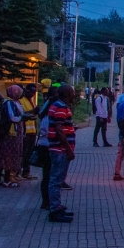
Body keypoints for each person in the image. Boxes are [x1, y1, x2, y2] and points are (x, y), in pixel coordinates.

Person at [46, 85, 77, 223]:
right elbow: (59, 130)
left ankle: (57, 206)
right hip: (60, 150)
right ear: (68, 93)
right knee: (56, 181)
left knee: (56, 180)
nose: (74, 94)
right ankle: (55, 210)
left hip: (58, 149)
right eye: (72, 92)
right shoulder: (61, 107)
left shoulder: (57, 105)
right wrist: (68, 149)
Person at [0, 85, 25, 187]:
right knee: (8, 156)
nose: (21, 94)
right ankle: (7, 180)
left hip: (11, 133)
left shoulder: (11, 102)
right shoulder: (9, 103)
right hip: (10, 134)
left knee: (3, 155)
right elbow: (12, 117)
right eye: (19, 92)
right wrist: (22, 117)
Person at [19, 83, 39, 179]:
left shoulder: (31, 101)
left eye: (34, 92)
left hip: (32, 131)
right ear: (25, 90)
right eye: (31, 91)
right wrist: (33, 111)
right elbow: (21, 114)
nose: (32, 94)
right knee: (23, 153)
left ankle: (26, 172)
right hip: (25, 131)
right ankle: (20, 171)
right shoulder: (21, 101)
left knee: (29, 153)